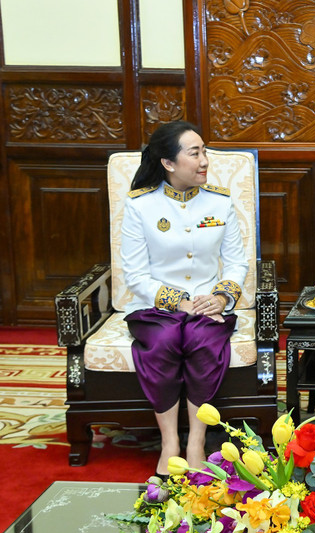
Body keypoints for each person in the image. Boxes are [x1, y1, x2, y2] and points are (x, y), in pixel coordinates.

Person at [121, 120, 248, 477]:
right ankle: (169, 443)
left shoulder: (219, 203)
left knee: (202, 340)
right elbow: (135, 274)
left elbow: (237, 262)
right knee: (162, 343)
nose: (205, 159)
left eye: (205, 150)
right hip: (155, 307)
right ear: (168, 163)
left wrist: (222, 298)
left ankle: (195, 440)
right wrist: (177, 300)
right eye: (195, 153)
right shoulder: (141, 207)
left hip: (208, 304)